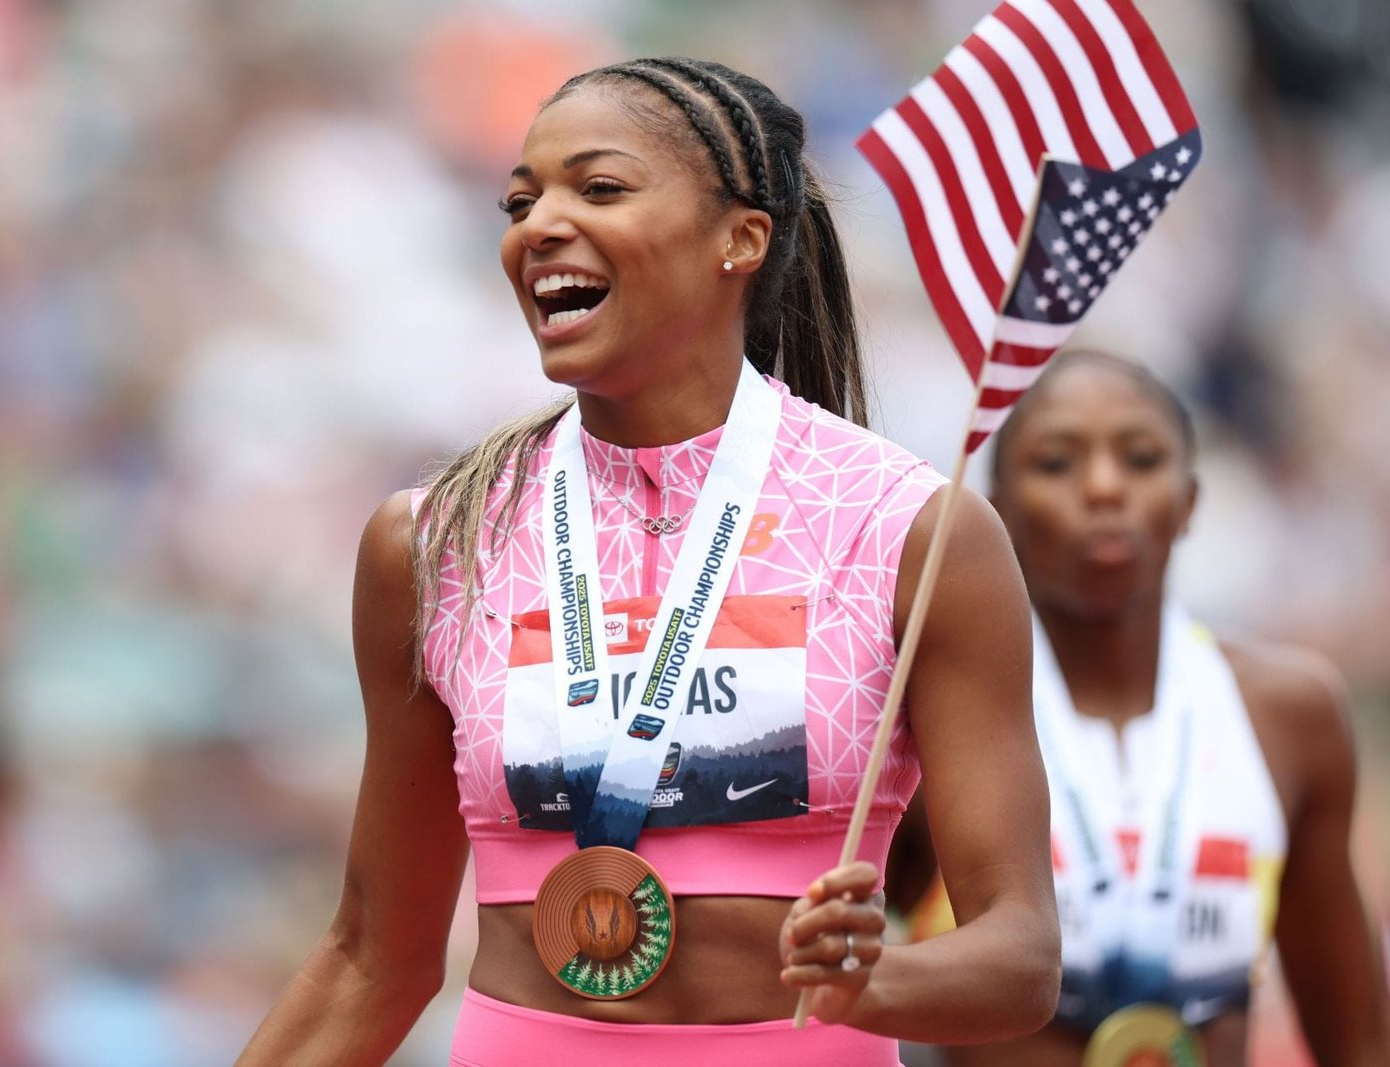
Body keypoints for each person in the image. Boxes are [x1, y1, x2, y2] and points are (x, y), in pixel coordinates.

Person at [235, 57, 1060, 1066]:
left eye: (599, 188)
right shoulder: (435, 542)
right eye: (520, 201)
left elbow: (1020, 958)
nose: (537, 226)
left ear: (740, 238)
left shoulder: (911, 530)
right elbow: (374, 957)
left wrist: (874, 978)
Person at [891, 350, 1390, 1066]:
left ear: (1189, 500)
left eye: (1142, 458)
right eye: (1057, 463)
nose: (1103, 487)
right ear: (995, 511)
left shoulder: (1289, 716)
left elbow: (1358, 1041)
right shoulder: (923, 721)